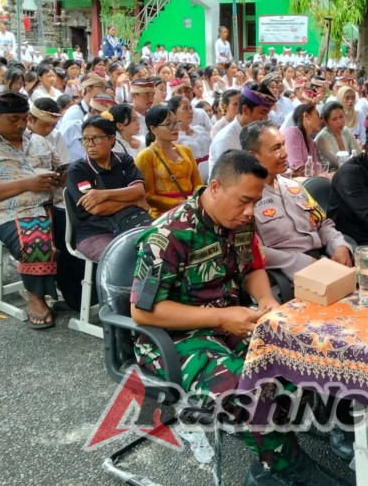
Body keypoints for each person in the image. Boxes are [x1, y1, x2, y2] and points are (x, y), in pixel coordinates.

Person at [129, 149, 345, 486]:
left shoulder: (240, 222)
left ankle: (269, 460)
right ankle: (291, 469)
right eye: (243, 201)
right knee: (249, 397)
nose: (249, 212)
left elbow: (253, 267)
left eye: (255, 202)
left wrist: (266, 299)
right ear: (214, 188)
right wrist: (220, 318)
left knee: (305, 358)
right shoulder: (167, 236)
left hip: (233, 323)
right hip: (175, 339)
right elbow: (142, 311)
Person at [0, 92, 65, 329]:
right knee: (35, 239)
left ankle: (71, 289)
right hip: (11, 213)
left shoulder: (38, 141)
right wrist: (26, 184)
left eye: (24, 118)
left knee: (83, 234)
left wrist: (61, 177)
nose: (20, 124)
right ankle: (36, 298)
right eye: (13, 119)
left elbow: (60, 167)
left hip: (52, 206)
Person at [242, 120, 352, 286]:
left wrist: (339, 246)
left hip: (323, 262)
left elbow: (322, 223)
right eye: (276, 148)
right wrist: (300, 263)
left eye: (283, 145)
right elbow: (251, 249)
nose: (285, 153)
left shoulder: (293, 186)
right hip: (286, 276)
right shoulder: (244, 197)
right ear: (252, 155)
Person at [65, 116, 149, 261]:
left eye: (96, 138)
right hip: (95, 232)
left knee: (163, 243)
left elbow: (138, 191)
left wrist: (103, 194)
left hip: (131, 221)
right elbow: (96, 209)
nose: (90, 144)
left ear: (111, 139)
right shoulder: (77, 170)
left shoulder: (124, 160)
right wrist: (134, 201)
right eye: (85, 139)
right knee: (124, 258)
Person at [135, 105, 202, 218]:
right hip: (164, 216)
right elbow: (149, 196)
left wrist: (196, 197)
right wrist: (180, 203)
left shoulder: (185, 150)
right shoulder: (146, 156)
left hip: (191, 209)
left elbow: (198, 183)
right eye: (169, 124)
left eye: (176, 123)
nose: (175, 127)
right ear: (153, 129)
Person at [209, 83, 277, 169]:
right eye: (262, 112)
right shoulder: (226, 139)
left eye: (267, 113)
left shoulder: (258, 131)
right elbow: (232, 178)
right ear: (245, 110)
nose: (265, 118)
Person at [314, 101, 360, 168]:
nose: (340, 121)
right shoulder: (322, 138)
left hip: (350, 170)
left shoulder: (346, 131)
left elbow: (358, 154)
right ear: (326, 121)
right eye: (334, 119)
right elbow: (339, 162)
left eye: (341, 117)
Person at [168, 95, 211, 164]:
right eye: (185, 108)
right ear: (173, 113)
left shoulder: (200, 129)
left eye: (190, 108)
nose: (190, 111)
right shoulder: (172, 137)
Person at [283, 103, 321, 171]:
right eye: (317, 115)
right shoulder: (292, 132)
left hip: (310, 180)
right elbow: (297, 168)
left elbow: (318, 169)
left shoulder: (311, 143)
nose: (321, 120)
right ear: (306, 116)